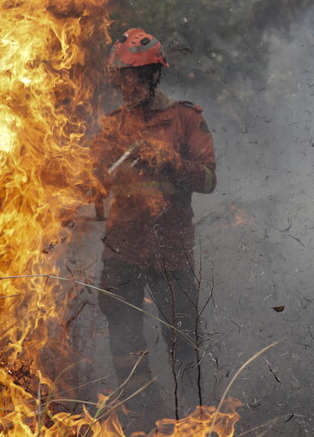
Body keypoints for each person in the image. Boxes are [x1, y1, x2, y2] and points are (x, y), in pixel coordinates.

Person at [90, 28, 217, 422]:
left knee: (183, 343)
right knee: (126, 346)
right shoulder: (112, 126)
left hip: (170, 251)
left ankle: (191, 423)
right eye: (123, 78)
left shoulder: (184, 119)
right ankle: (145, 423)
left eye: (138, 78)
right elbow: (92, 183)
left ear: (154, 76)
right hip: (123, 250)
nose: (130, 86)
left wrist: (168, 161)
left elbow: (209, 180)